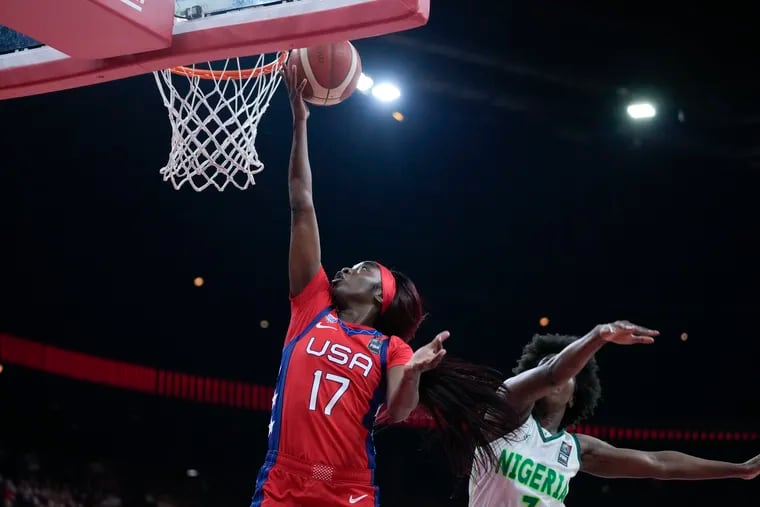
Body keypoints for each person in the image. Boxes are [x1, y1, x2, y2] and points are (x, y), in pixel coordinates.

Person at [249, 65, 516, 507]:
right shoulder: (311, 306)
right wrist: (299, 123)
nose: (346, 269)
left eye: (362, 268)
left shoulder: (391, 349)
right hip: (285, 478)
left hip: (348, 487)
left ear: (380, 296)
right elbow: (302, 205)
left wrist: (411, 375)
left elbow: (401, 408)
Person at [469, 321, 760, 506]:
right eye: (544, 365)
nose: (555, 372)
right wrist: (598, 335)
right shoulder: (504, 415)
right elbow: (552, 374)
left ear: (575, 396)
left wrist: (741, 469)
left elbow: (659, 463)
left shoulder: (574, 449)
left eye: (569, 372)